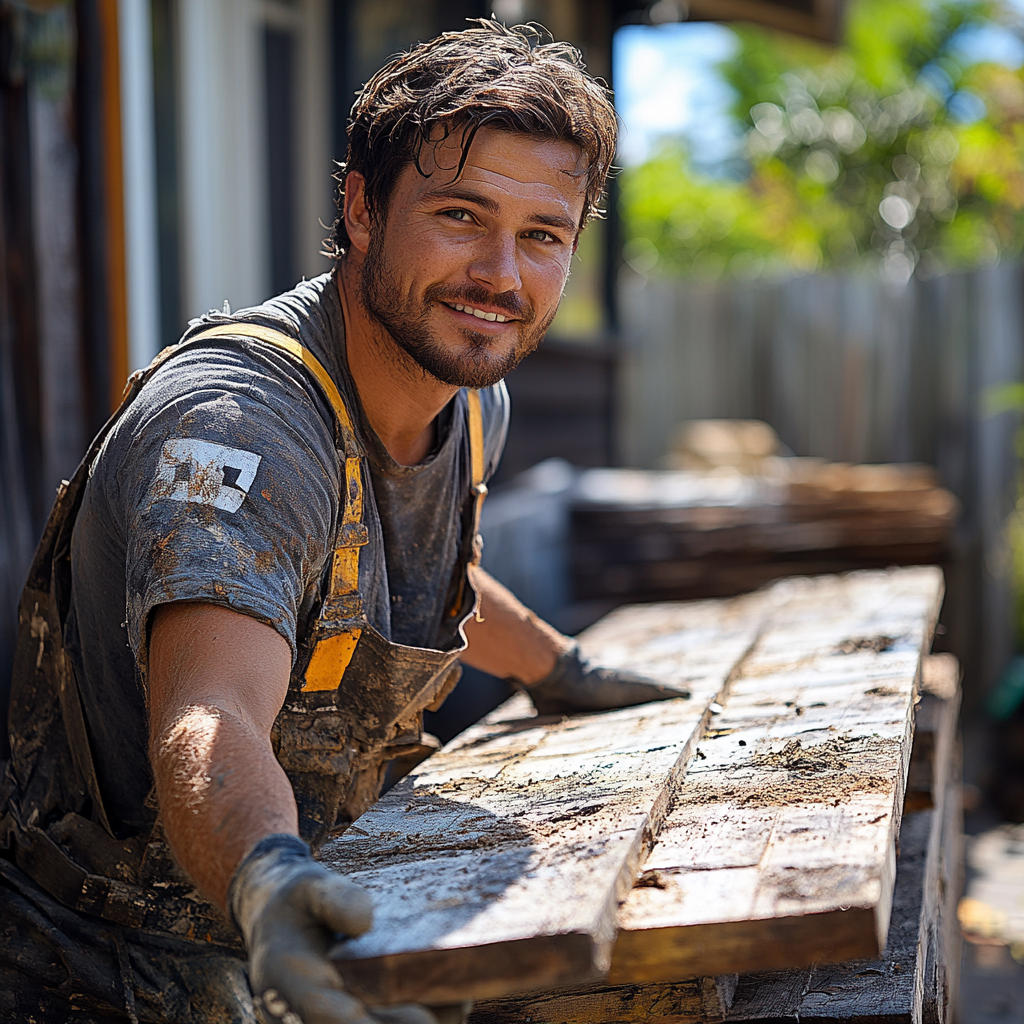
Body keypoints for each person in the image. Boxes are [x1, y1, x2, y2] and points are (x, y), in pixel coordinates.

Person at [0, 20, 684, 1024]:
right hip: (110, 966)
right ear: (362, 208)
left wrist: (554, 666)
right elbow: (208, 712)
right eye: (460, 215)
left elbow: (378, 576)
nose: (501, 274)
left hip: (329, 914)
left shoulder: (467, 397)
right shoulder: (241, 425)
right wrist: (268, 878)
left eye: (543, 236)